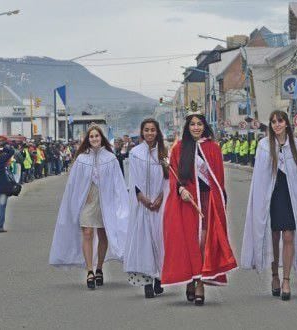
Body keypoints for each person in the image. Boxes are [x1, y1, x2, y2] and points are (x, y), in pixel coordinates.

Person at [241, 110, 297, 301]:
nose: (277, 124)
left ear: (286, 123)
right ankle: (275, 275)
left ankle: (286, 279)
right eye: (273, 121)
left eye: (280, 121)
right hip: (272, 196)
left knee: (289, 235)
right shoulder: (263, 146)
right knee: (274, 236)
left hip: (291, 196)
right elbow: (260, 178)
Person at [161, 111, 237, 306]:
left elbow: (218, 180)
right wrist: (180, 190)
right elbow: (175, 177)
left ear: (204, 126)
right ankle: (192, 278)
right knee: (190, 242)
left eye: (199, 124)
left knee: (204, 241)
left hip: (207, 201)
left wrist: (220, 201)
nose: (196, 127)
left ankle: (199, 282)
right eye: (192, 124)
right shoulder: (179, 148)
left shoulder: (213, 148)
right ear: (187, 127)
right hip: (188, 202)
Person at [49, 125, 130, 289]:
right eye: (91, 136)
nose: (94, 139)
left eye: (97, 136)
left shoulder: (110, 158)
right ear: (88, 139)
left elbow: (118, 183)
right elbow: (74, 183)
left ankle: (99, 267)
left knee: (102, 234)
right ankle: (89, 271)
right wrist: (79, 196)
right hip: (87, 201)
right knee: (87, 232)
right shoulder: (81, 159)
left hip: (105, 201)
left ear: (101, 138)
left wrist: (119, 201)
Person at [124, 119, 168, 298]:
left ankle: (159, 277)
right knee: (145, 243)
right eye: (146, 130)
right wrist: (142, 198)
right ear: (142, 132)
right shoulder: (135, 153)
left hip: (160, 205)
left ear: (157, 132)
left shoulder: (164, 154)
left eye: (153, 130)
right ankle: (148, 281)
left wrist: (159, 198)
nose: (150, 133)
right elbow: (132, 179)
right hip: (142, 204)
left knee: (160, 241)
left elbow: (168, 180)